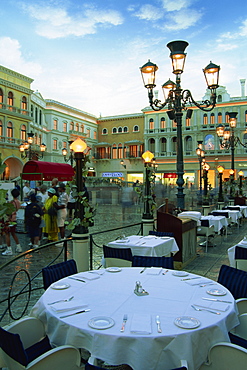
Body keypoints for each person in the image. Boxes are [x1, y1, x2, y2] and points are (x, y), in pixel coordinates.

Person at [2, 189, 22, 256]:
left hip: (10, 219)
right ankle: (18, 247)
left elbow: (9, 212)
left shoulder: (11, 202)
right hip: (15, 218)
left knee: (7, 234)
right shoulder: (18, 202)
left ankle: (9, 249)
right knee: (13, 233)